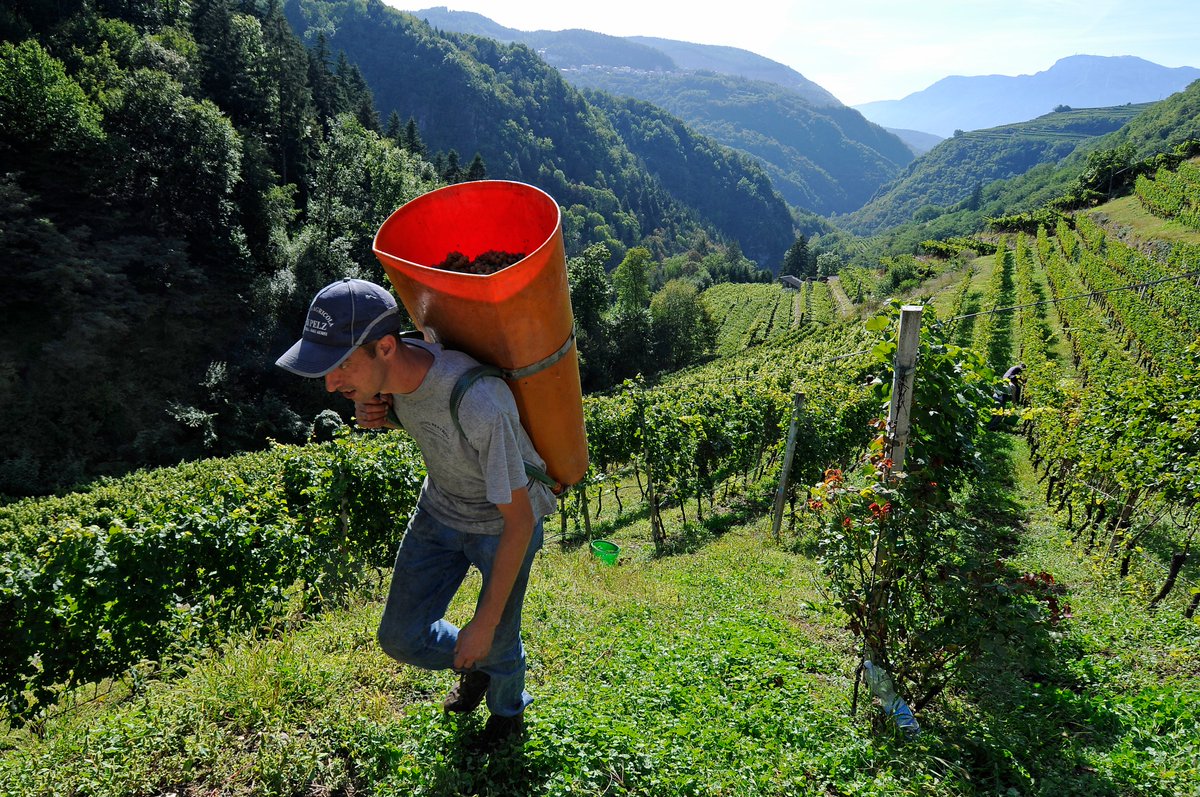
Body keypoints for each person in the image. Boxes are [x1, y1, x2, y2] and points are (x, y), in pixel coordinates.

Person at [275, 277, 557, 751]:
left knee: (499, 632)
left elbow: (520, 521)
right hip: (440, 509)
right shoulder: (393, 378)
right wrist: (387, 417)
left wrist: (483, 625)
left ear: (385, 347)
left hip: (501, 523)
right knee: (401, 636)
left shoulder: (481, 402)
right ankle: (480, 665)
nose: (329, 384)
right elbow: (434, 423)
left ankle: (508, 711)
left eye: (341, 365)